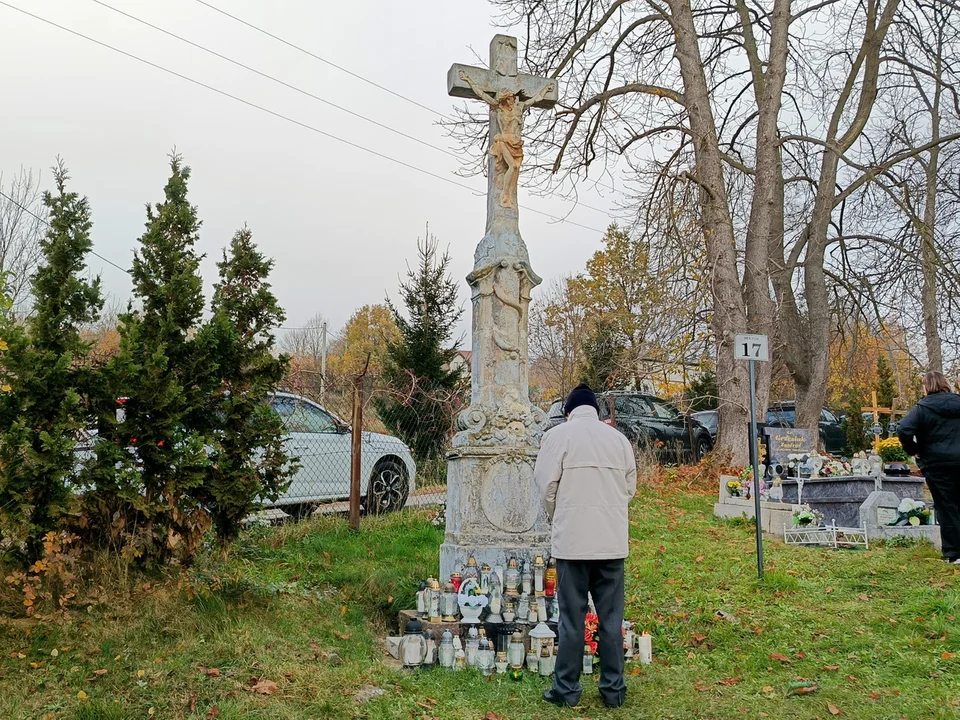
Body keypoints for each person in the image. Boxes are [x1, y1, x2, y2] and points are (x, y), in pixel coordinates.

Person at [534, 383, 637, 708]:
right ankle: (613, 691)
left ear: (569, 410)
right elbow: (628, 489)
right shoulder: (618, 440)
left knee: (571, 619)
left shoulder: (558, 437)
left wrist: (560, 515)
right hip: (611, 544)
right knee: (610, 620)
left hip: (572, 544)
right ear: (596, 410)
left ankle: (566, 689)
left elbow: (546, 487)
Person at [898, 371, 960, 564]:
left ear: (927, 387)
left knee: (946, 505)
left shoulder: (922, 408)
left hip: (937, 464)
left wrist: (914, 449)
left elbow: (904, 429)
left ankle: (954, 553)